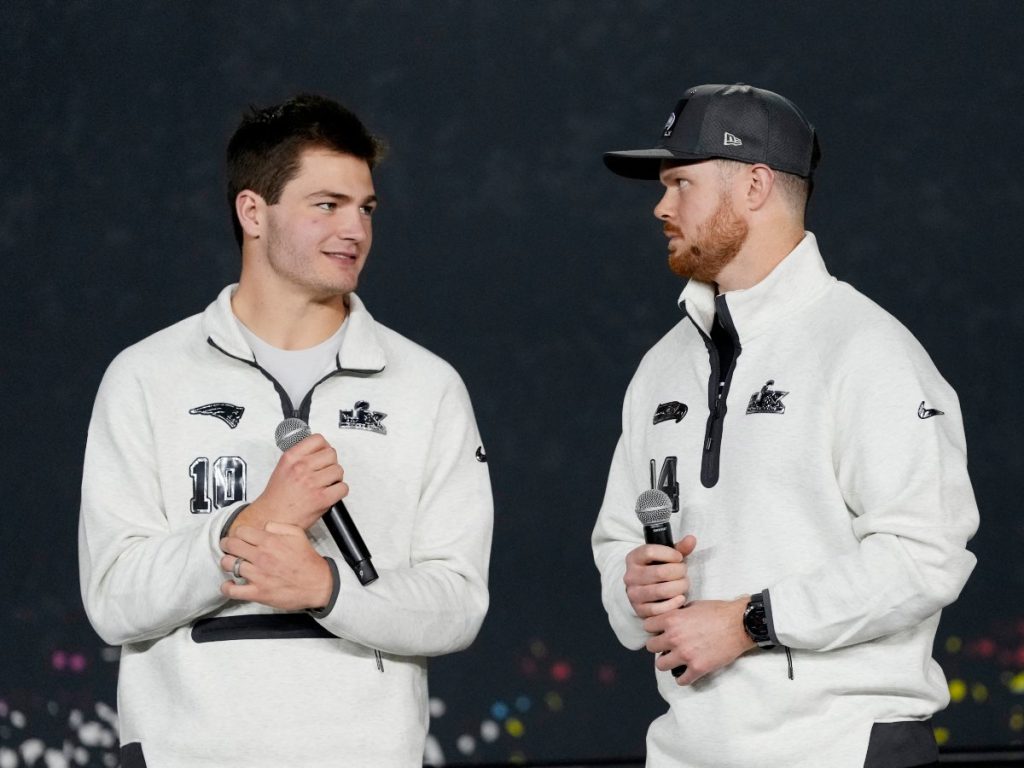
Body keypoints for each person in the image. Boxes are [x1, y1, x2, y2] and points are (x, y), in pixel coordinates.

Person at [78, 94, 493, 767]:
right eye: (326, 205)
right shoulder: (146, 377)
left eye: (365, 208)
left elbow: (457, 606)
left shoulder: (427, 386)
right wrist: (251, 526)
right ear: (252, 213)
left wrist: (327, 588)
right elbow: (112, 598)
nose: (354, 229)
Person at [591, 84, 978, 768]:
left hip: (842, 748)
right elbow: (617, 537)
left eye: (681, 183)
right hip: (687, 751)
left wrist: (749, 622)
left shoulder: (868, 349)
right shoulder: (660, 367)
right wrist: (630, 583)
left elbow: (927, 556)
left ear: (755, 186)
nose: (661, 206)